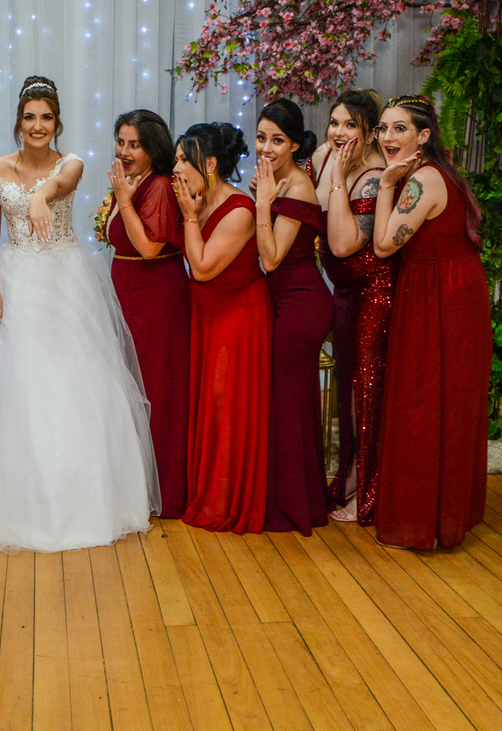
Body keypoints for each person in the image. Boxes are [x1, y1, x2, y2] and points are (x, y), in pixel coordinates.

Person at [0, 76, 159, 552]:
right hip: (14, 279)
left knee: (74, 380)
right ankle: (11, 504)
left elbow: (60, 185)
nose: (37, 125)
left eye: (46, 117)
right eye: (29, 117)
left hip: (64, 280)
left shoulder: (71, 163)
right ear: (18, 122)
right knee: (16, 386)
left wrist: (39, 194)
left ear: (57, 122)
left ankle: (87, 501)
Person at [370, 95, 491, 550]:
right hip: (447, 288)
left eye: (399, 128)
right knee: (442, 402)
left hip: (440, 295)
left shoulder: (422, 179)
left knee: (424, 402)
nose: (388, 137)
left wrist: (385, 186)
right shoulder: (438, 172)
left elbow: (384, 245)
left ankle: (423, 519)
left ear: (423, 136)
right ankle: (444, 513)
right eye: (383, 128)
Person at [174, 123, 271, 534]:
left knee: (226, 406)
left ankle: (227, 500)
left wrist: (189, 217)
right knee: (210, 406)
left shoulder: (240, 210)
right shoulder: (198, 201)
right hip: (208, 315)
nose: (176, 168)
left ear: (210, 164)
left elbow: (202, 267)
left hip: (237, 316)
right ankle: (206, 491)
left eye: (184, 159)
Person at [252, 100, 334, 535]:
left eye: (277, 140)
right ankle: (297, 498)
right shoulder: (276, 180)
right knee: (287, 401)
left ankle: (293, 506)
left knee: (289, 402)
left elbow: (270, 259)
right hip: (284, 300)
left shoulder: (298, 187)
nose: (266, 148)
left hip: (302, 303)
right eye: (261, 137)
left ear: (296, 145)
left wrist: (262, 204)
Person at [313, 90, 393, 525]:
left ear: (370, 133)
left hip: (373, 294)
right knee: (346, 391)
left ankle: (368, 487)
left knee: (366, 393)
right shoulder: (328, 157)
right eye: (334, 122)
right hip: (344, 293)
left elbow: (344, 244)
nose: (339, 133)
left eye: (350, 126)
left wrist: (339, 182)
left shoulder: (373, 177)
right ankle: (347, 476)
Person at [105, 109, 190, 518]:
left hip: (156, 299)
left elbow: (149, 247)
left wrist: (123, 200)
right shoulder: (133, 180)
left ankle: (167, 492)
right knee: (136, 391)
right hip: (131, 296)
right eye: (121, 142)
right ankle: (139, 484)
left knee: (158, 390)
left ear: (152, 148)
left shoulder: (157, 185)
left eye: (134, 145)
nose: (124, 151)